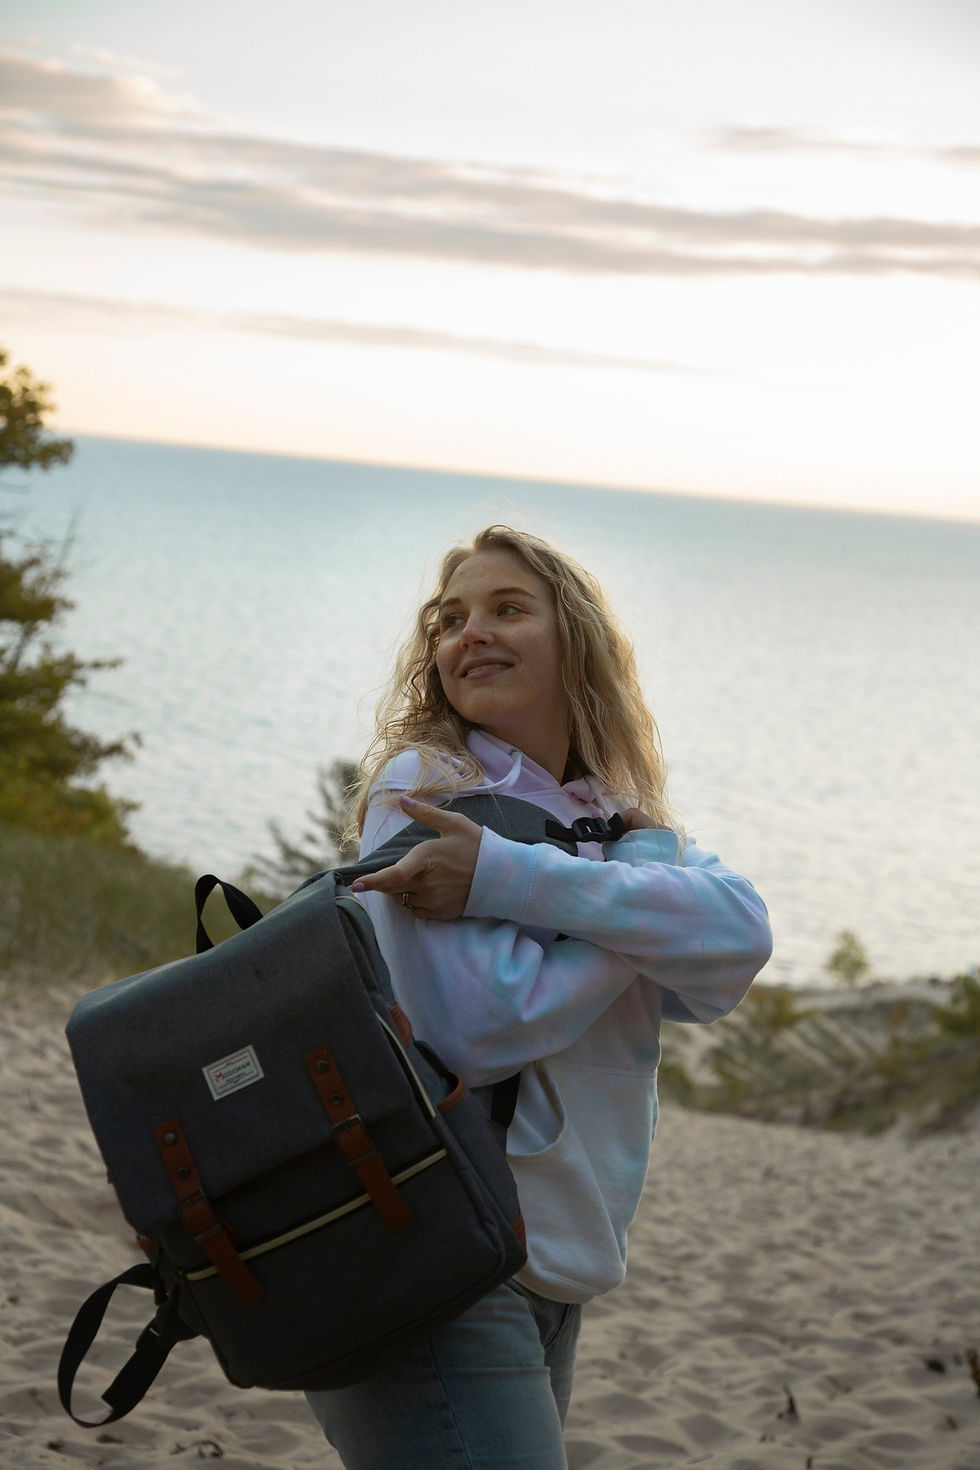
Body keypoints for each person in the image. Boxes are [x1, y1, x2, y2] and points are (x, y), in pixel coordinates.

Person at [305, 525, 772, 1469]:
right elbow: (484, 1025)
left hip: (553, 1254)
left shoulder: (614, 813)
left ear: (578, 640)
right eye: (449, 620)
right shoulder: (429, 784)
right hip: (436, 1243)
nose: (469, 633)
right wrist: (644, 911)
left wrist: (516, 879)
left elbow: (739, 945)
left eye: (507, 609)